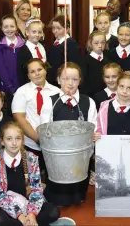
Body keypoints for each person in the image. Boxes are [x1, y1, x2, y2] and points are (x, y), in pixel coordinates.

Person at [0, 122, 75, 226]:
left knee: (53, 212)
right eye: (9, 139)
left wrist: (32, 213)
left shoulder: (31, 159)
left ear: (22, 141)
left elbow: (36, 189)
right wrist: (20, 215)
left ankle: (30, 222)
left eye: (18, 138)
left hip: (28, 203)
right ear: (2, 141)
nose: (14, 143)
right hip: (6, 206)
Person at [41, 62, 97, 207]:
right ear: (58, 80)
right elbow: (44, 129)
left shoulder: (88, 102)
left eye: (74, 79)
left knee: (79, 199)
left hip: (80, 158)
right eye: (66, 79)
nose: (70, 83)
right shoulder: (50, 101)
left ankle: (78, 195)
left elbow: (93, 128)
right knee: (58, 200)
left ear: (80, 81)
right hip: (57, 159)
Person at [12, 59, 61, 173]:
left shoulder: (57, 92)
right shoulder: (22, 92)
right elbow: (20, 118)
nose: (37, 73)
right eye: (32, 72)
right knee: (32, 176)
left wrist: (50, 140)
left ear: (45, 71)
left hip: (53, 143)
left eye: (40, 69)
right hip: (30, 143)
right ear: (28, 76)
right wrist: (38, 139)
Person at [46, 15, 82, 86]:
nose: (55, 31)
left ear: (67, 29)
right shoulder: (54, 43)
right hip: (53, 82)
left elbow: (74, 66)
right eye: (53, 28)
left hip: (64, 83)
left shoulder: (71, 44)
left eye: (59, 28)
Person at [0, 15, 25, 96]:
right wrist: (9, 86)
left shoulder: (24, 44)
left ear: (16, 27)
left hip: (22, 85)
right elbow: (0, 67)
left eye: (12, 26)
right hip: (6, 87)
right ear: (1, 28)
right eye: (6, 27)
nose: (9, 29)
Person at [17, 18, 47, 86]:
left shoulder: (43, 47)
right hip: (29, 84)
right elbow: (21, 73)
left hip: (43, 83)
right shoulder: (23, 50)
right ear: (27, 32)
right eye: (34, 32)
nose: (37, 35)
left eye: (39, 32)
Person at [81, 31, 110, 97]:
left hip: (106, 95)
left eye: (103, 42)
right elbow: (83, 82)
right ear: (90, 44)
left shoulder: (108, 60)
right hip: (91, 95)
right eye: (96, 43)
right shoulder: (85, 61)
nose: (100, 46)